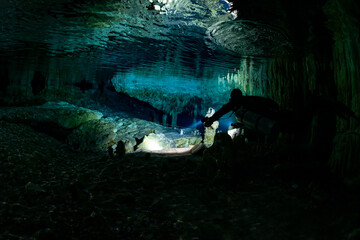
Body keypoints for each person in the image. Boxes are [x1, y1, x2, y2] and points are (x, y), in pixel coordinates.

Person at [201, 89, 280, 130]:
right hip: (267, 116)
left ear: (232, 96)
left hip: (263, 122)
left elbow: (221, 112)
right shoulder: (248, 99)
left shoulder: (233, 104)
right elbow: (263, 101)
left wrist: (211, 120)